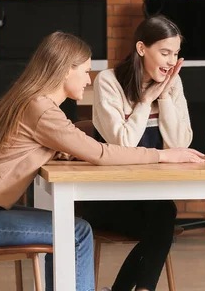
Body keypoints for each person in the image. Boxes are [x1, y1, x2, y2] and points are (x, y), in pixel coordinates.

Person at [0, 31, 204, 291]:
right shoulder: (42, 110)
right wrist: (162, 155)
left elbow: (60, 140)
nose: (89, 80)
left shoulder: (30, 102)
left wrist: (73, 143)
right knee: (76, 233)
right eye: (86, 71)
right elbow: (100, 153)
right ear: (67, 69)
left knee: (66, 226)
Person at [78, 15, 192, 291]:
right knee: (163, 218)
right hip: (107, 197)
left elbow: (180, 144)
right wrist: (146, 100)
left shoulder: (172, 84)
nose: (170, 61)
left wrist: (164, 96)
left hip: (149, 197)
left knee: (163, 214)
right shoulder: (109, 82)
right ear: (142, 49)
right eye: (164, 52)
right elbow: (123, 145)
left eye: (175, 54)